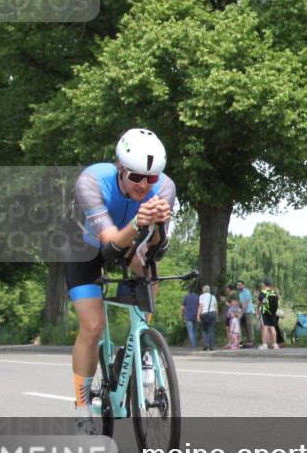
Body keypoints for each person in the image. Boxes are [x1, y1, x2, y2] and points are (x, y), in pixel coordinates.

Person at [65, 128, 174, 434]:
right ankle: (82, 406)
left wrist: (160, 227)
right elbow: (110, 245)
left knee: (148, 267)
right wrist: (140, 220)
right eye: (136, 177)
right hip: (84, 247)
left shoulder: (165, 188)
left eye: (151, 179)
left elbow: (156, 248)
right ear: (120, 168)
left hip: (129, 241)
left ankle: (144, 350)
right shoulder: (92, 181)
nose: (144, 185)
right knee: (93, 327)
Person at [259, 280, 279, 349]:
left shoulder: (262, 293)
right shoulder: (274, 293)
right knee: (272, 327)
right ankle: (275, 344)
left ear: (264, 285)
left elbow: (260, 303)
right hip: (273, 312)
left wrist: (257, 309)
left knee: (265, 327)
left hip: (265, 312)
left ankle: (265, 344)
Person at [198, 285, 218, 351]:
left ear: (203, 290)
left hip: (204, 314)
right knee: (211, 330)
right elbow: (216, 307)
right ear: (209, 290)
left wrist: (198, 315)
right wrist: (216, 316)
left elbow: (201, 306)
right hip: (213, 313)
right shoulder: (213, 297)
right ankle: (211, 346)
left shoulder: (201, 296)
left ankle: (206, 345)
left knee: (204, 330)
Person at [237, 280, 256, 348]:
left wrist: (241, 312)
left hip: (248, 311)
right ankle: (247, 342)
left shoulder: (246, 292)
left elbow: (246, 303)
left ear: (243, 285)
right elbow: (241, 303)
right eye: (238, 285)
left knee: (249, 326)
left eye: (239, 285)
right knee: (244, 327)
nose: (238, 286)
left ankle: (251, 342)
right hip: (243, 311)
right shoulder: (240, 293)